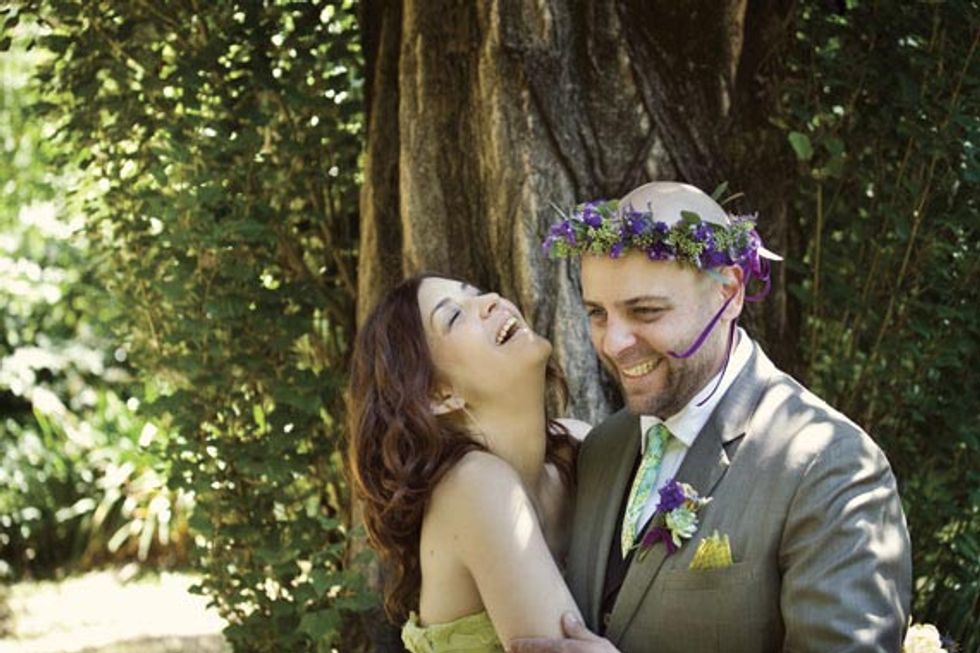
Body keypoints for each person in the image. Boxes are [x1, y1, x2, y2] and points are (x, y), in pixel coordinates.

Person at [511, 181, 912, 653]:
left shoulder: (831, 467)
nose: (614, 343)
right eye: (598, 313)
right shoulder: (603, 447)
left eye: (646, 311)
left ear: (731, 293)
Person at [346, 273, 590, 652]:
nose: (492, 298)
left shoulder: (578, 445)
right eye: (454, 317)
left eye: (476, 292)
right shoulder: (474, 486)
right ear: (438, 394)